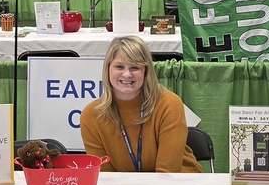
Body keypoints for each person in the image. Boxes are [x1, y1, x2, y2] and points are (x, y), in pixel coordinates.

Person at [80, 36, 202, 173]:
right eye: (119, 66)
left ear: (146, 71)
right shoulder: (91, 115)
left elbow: (168, 173)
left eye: (134, 67)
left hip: (179, 184)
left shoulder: (169, 104)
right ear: (108, 69)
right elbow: (105, 176)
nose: (127, 74)